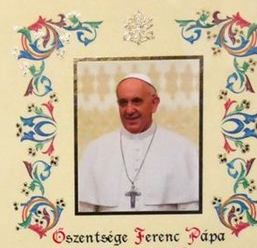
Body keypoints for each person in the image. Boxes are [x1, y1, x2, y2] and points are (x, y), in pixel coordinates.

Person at [78, 73, 199, 212]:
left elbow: (191, 215)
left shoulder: (183, 150)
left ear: (154, 104)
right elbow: (83, 213)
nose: (129, 110)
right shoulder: (95, 151)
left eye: (137, 101)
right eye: (123, 103)